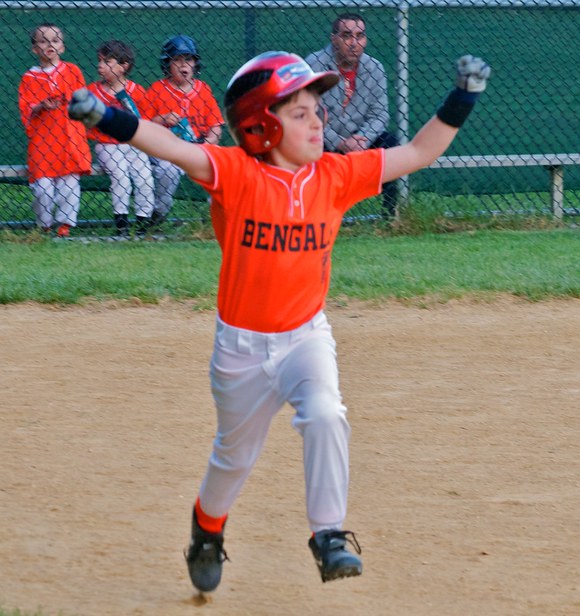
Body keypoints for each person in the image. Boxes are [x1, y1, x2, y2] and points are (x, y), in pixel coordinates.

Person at [68, 50, 490, 593]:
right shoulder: (236, 173)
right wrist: (107, 118)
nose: (318, 120)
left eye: (318, 109)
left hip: (304, 338)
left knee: (325, 412)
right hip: (240, 350)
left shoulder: (334, 175)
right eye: (300, 113)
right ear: (261, 126)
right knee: (234, 457)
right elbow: (170, 145)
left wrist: (464, 96)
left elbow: (417, 151)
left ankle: (329, 535)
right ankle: (207, 530)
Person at [305, 12, 399, 220]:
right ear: (334, 38)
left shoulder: (374, 68)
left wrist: (361, 140)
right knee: (306, 141)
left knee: (391, 143)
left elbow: (380, 114)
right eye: (347, 35)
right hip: (325, 139)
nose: (354, 43)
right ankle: (315, 214)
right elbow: (308, 115)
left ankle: (390, 215)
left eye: (360, 36)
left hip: (360, 139)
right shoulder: (315, 65)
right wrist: (339, 142)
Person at [17, 23, 91, 237]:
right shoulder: (29, 78)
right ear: (34, 49)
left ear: (62, 47)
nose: (49, 44)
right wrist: (41, 106)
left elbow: (83, 103)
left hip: (69, 140)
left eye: (55, 40)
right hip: (43, 142)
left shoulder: (72, 71)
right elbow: (26, 109)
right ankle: (45, 225)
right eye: (43, 40)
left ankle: (65, 227)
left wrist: (66, 99)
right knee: (43, 189)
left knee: (69, 187)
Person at [148, 35, 224, 228]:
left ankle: (214, 218)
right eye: (177, 60)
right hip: (166, 150)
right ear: (167, 63)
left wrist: (208, 144)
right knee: (168, 170)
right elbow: (145, 127)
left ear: (195, 64)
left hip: (197, 147)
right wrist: (163, 119)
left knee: (219, 168)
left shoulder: (203, 89)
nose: (184, 65)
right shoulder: (157, 90)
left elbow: (215, 127)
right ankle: (159, 212)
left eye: (188, 59)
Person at [86, 39, 156, 238]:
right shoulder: (93, 91)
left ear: (123, 66)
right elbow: (87, 124)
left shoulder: (137, 92)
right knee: (121, 177)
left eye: (107, 62)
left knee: (145, 179)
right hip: (107, 144)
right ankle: (122, 225)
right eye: (99, 61)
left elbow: (146, 121)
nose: (100, 66)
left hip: (133, 143)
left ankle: (143, 224)